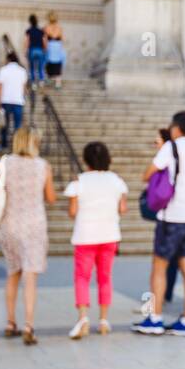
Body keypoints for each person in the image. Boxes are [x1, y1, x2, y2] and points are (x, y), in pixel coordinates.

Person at [132, 111, 185, 337]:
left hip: (173, 215)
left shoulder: (171, 147)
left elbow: (148, 174)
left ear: (176, 128)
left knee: (159, 267)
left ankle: (154, 318)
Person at [64, 141, 128, 338]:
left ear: (86, 160)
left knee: (82, 277)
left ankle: (83, 317)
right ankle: (103, 320)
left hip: (85, 236)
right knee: (105, 277)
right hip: (109, 235)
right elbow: (122, 209)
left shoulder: (78, 183)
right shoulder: (117, 181)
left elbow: (73, 211)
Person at [0, 128, 56, 345]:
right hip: (33, 225)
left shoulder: (4, 163)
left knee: (13, 272)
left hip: (9, 223)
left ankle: (10, 321)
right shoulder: (42, 166)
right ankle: (29, 324)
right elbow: (50, 197)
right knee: (30, 276)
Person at [0, 51, 29, 149]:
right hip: (18, 101)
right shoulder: (22, 71)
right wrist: (24, 98)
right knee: (17, 126)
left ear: (8, 59)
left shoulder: (3, 70)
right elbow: (24, 88)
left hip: (5, 100)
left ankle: (4, 144)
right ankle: (16, 146)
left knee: (4, 124)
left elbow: (0, 87)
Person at [44, 11, 66, 89]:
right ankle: (58, 83)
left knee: (49, 63)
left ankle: (50, 79)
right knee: (58, 64)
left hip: (50, 46)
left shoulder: (46, 27)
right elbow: (62, 39)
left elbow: (45, 39)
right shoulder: (59, 27)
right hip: (57, 46)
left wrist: (45, 48)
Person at [25, 14, 47, 86]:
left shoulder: (29, 30)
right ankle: (41, 81)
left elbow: (28, 41)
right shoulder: (40, 31)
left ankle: (33, 82)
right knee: (40, 66)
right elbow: (43, 40)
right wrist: (44, 49)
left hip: (32, 49)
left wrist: (26, 50)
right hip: (40, 50)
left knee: (32, 67)